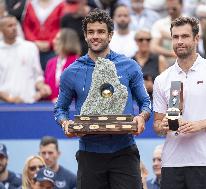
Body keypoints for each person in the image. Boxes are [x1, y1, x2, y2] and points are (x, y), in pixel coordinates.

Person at [54, 8, 151, 189]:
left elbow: (146, 103)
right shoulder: (71, 72)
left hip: (124, 152)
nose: (95, 36)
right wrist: (65, 123)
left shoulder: (130, 66)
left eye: (100, 31)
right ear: (85, 35)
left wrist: (141, 117)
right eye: (90, 32)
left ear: (110, 35)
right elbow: (60, 109)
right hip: (89, 153)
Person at [153, 16, 206, 189]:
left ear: (196, 38)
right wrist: (161, 126)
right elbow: (157, 124)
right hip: (171, 164)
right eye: (175, 37)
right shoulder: (162, 79)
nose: (179, 41)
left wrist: (200, 125)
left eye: (184, 36)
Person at [0, 15, 51, 103]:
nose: (14, 28)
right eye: (9, 26)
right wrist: (9, 99)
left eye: (15, 25)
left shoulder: (30, 47)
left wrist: (42, 87)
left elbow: (37, 76)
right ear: (1, 29)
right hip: (4, 105)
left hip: (28, 103)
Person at [44, 28, 81, 102]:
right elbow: (47, 87)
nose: (54, 41)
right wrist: (43, 90)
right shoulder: (50, 63)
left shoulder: (78, 63)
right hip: (49, 108)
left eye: (57, 39)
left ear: (68, 42)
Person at [132, 29, 167, 99]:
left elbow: (166, 86)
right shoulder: (130, 62)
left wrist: (153, 87)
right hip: (135, 102)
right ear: (136, 41)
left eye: (148, 39)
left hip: (155, 101)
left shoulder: (159, 59)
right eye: (141, 39)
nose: (144, 42)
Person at [151, 0, 183, 66]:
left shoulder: (191, 22)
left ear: (181, 6)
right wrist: (172, 54)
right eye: (168, 8)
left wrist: (168, 36)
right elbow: (153, 47)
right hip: (165, 63)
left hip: (185, 61)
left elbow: (192, 43)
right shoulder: (159, 24)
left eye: (174, 8)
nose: (171, 11)